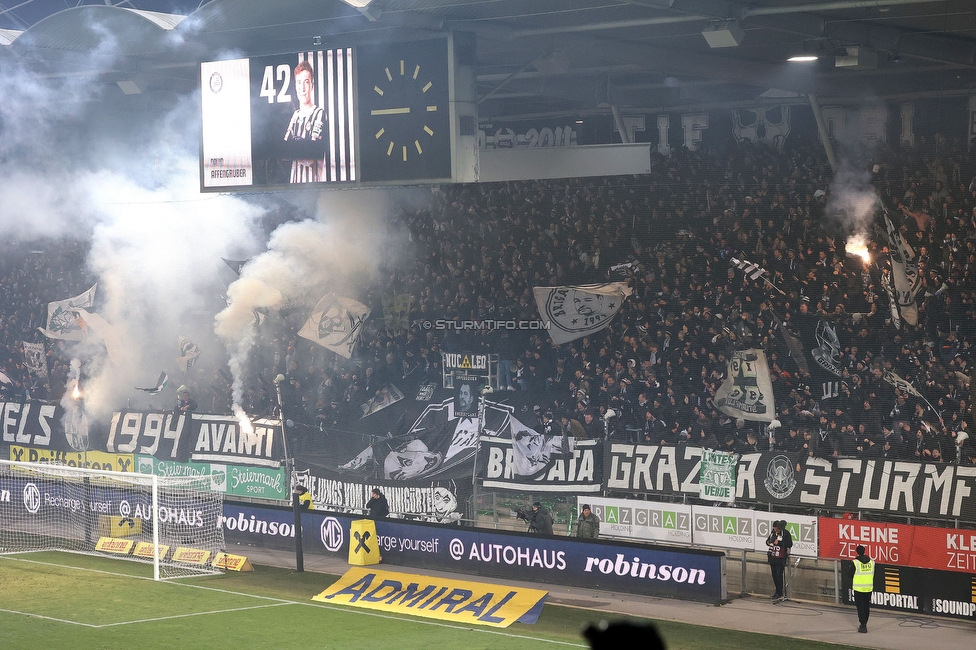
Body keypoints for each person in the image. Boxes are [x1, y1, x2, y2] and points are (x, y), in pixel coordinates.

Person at [283, 60, 326, 183]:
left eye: (306, 82)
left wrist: (294, 147)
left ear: (312, 85)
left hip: (313, 188)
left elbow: (310, 158)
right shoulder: (295, 115)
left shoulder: (319, 113)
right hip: (294, 188)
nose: (302, 88)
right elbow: (284, 152)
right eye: (299, 83)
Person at [766, 520, 793, 600]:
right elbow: (768, 542)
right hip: (773, 557)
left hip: (780, 557)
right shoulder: (772, 533)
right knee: (774, 575)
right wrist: (771, 543)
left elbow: (789, 544)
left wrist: (780, 543)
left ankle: (780, 592)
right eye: (774, 528)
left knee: (779, 575)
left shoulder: (786, 533)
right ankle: (777, 591)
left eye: (776, 528)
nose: (775, 529)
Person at [851, 544, 875, 633]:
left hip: (858, 588)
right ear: (864, 551)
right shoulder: (872, 562)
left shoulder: (855, 562)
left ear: (857, 552)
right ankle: (865, 623)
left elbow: (850, 574)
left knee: (860, 607)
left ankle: (863, 624)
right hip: (868, 587)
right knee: (866, 606)